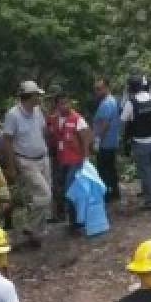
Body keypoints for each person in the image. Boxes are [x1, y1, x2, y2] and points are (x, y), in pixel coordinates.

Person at [2, 81, 51, 246]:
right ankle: (31, 225)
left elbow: (43, 131)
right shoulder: (13, 115)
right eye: (37, 95)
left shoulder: (38, 111)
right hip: (25, 160)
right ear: (29, 97)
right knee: (45, 195)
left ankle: (38, 233)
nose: (39, 98)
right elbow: (7, 141)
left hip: (42, 157)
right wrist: (11, 166)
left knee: (43, 195)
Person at [47, 91, 93, 232]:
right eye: (61, 104)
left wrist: (85, 159)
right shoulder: (54, 120)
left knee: (72, 189)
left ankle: (78, 221)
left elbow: (86, 138)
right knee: (64, 190)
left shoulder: (77, 119)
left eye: (67, 103)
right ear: (56, 106)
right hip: (61, 161)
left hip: (76, 160)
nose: (64, 106)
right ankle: (73, 221)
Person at [122, 74, 151, 210]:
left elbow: (123, 120)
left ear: (131, 88)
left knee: (146, 170)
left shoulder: (131, 102)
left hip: (141, 142)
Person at [92, 78, 123, 203]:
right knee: (110, 167)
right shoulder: (111, 101)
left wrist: (97, 139)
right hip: (111, 141)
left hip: (106, 142)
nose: (97, 91)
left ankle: (108, 193)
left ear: (106, 88)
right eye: (95, 89)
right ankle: (114, 191)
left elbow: (104, 124)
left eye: (99, 88)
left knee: (104, 169)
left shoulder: (106, 103)